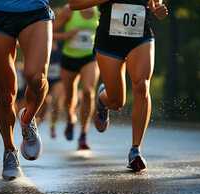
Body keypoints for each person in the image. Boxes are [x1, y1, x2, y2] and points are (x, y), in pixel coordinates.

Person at [69, 0, 168, 170]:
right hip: (109, 41)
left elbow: (154, 1)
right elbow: (74, 4)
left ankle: (135, 149)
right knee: (116, 103)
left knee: (142, 85)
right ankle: (103, 98)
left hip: (140, 37)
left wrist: (157, 6)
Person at [0, 1, 54, 180]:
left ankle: (27, 120)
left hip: (35, 11)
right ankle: (10, 151)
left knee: (37, 78)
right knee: (5, 94)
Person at [53, 4, 100, 150]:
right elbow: (49, 32)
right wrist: (66, 36)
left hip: (89, 57)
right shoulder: (69, 9)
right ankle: (70, 119)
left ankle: (83, 134)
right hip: (69, 58)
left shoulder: (98, 9)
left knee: (88, 92)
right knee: (68, 97)